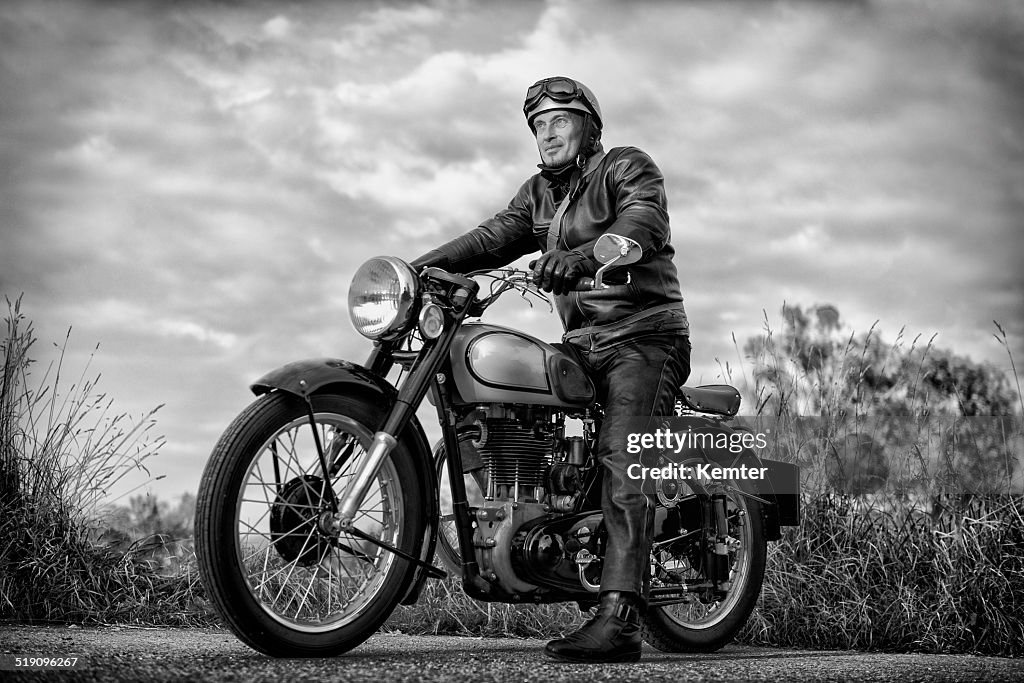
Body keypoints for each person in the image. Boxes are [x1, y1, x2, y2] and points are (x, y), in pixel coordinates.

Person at [411, 76, 691, 663]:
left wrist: (585, 256)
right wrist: (419, 268)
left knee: (623, 455)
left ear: (589, 125)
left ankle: (620, 620)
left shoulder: (625, 168)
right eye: (538, 125)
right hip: (582, 343)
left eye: (559, 120)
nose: (547, 133)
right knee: (497, 402)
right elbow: (495, 236)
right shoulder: (539, 193)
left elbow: (643, 227)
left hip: (644, 337)